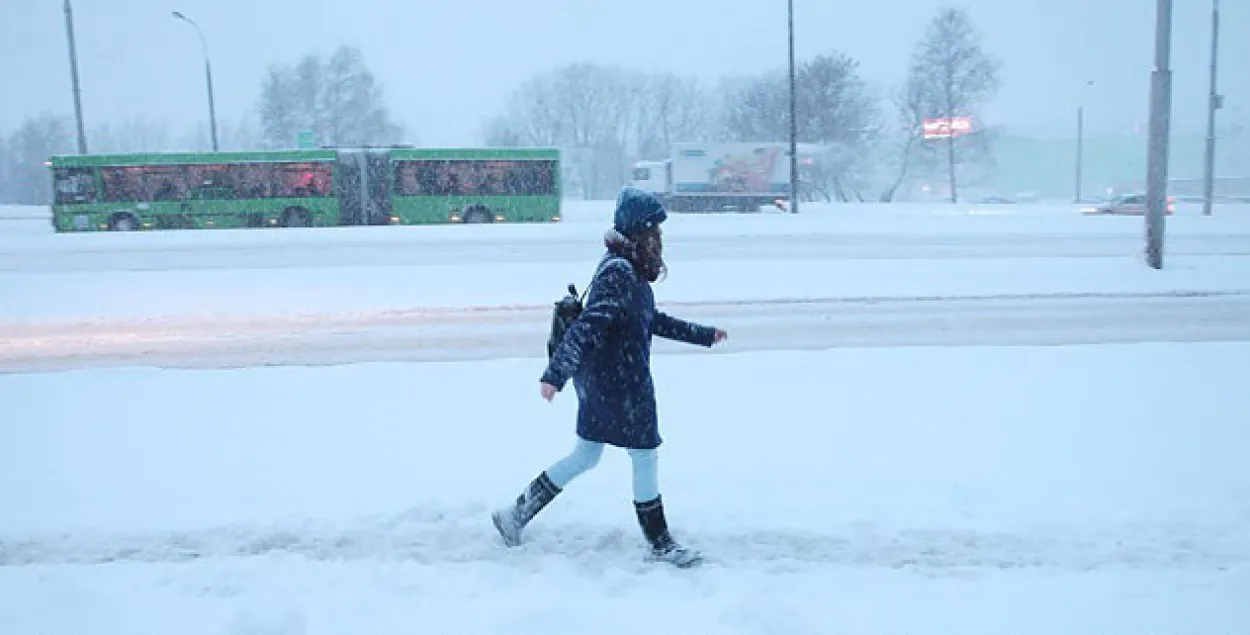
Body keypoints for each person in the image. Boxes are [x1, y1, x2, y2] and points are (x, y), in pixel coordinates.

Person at [491, 187, 727, 568]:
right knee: (644, 454)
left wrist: (702, 334)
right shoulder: (619, 272)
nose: (660, 240)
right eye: (655, 232)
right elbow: (586, 327)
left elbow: (652, 320)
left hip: (606, 381)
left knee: (585, 455)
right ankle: (660, 542)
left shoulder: (624, 267)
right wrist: (555, 374)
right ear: (639, 232)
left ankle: (514, 514)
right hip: (621, 385)